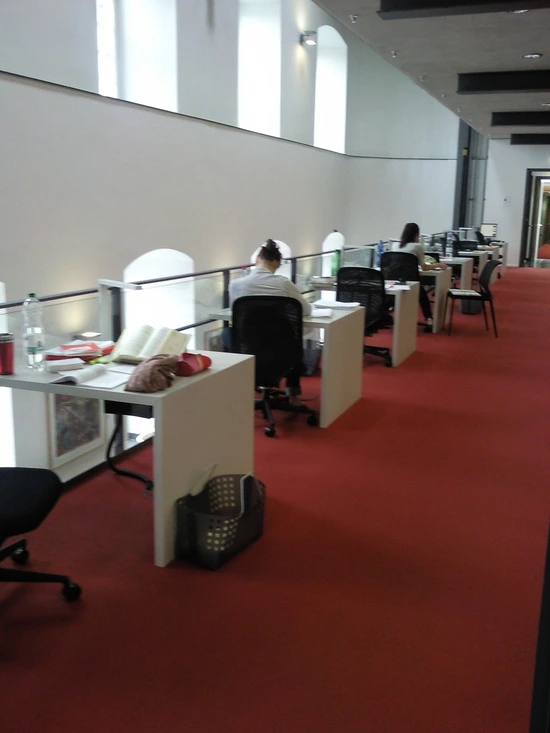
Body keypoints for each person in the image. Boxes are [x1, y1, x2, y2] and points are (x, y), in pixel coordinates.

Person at [228, 239, 311, 405]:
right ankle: (293, 395)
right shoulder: (284, 283)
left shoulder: (235, 284)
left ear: (257, 260)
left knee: (226, 333)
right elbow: (306, 310)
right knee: (292, 337)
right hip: (281, 349)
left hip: (248, 347)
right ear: (277, 263)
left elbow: (235, 313)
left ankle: (239, 391)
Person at [396, 222, 448, 332]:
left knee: (421, 291)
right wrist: (438, 265)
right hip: (412, 281)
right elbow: (424, 267)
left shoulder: (395, 245)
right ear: (416, 234)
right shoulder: (417, 246)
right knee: (422, 295)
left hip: (396, 281)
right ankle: (429, 319)